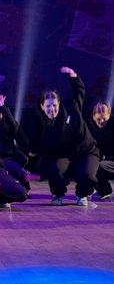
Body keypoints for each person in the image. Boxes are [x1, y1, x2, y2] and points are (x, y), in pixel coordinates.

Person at [36, 67, 99, 206]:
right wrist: (38, 173)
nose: (52, 109)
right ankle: (58, 194)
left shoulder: (71, 106)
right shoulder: (47, 128)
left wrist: (73, 76)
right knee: (55, 171)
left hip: (86, 151)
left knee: (88, 176)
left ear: (59, 104)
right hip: (65, 156)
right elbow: (46, 155)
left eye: (54, 105)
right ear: (42, 107)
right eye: (48, 106)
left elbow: (79, 92)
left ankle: (82, 195)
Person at [0, 94, 31, 192]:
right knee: (13, 170)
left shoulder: (6, 126)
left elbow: (14, 125)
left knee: (16, 167)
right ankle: (21, 178)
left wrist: (3, 108)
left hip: (9, 156)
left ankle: (24, 184)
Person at [89, 101, 114, 200]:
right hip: (108, 162)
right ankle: (104, 191)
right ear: (94, 117)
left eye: (104, 118)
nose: (102, 121)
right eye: (99, 119)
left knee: (99, 166)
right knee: (92, 165)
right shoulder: (91, 130)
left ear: (109, 115)